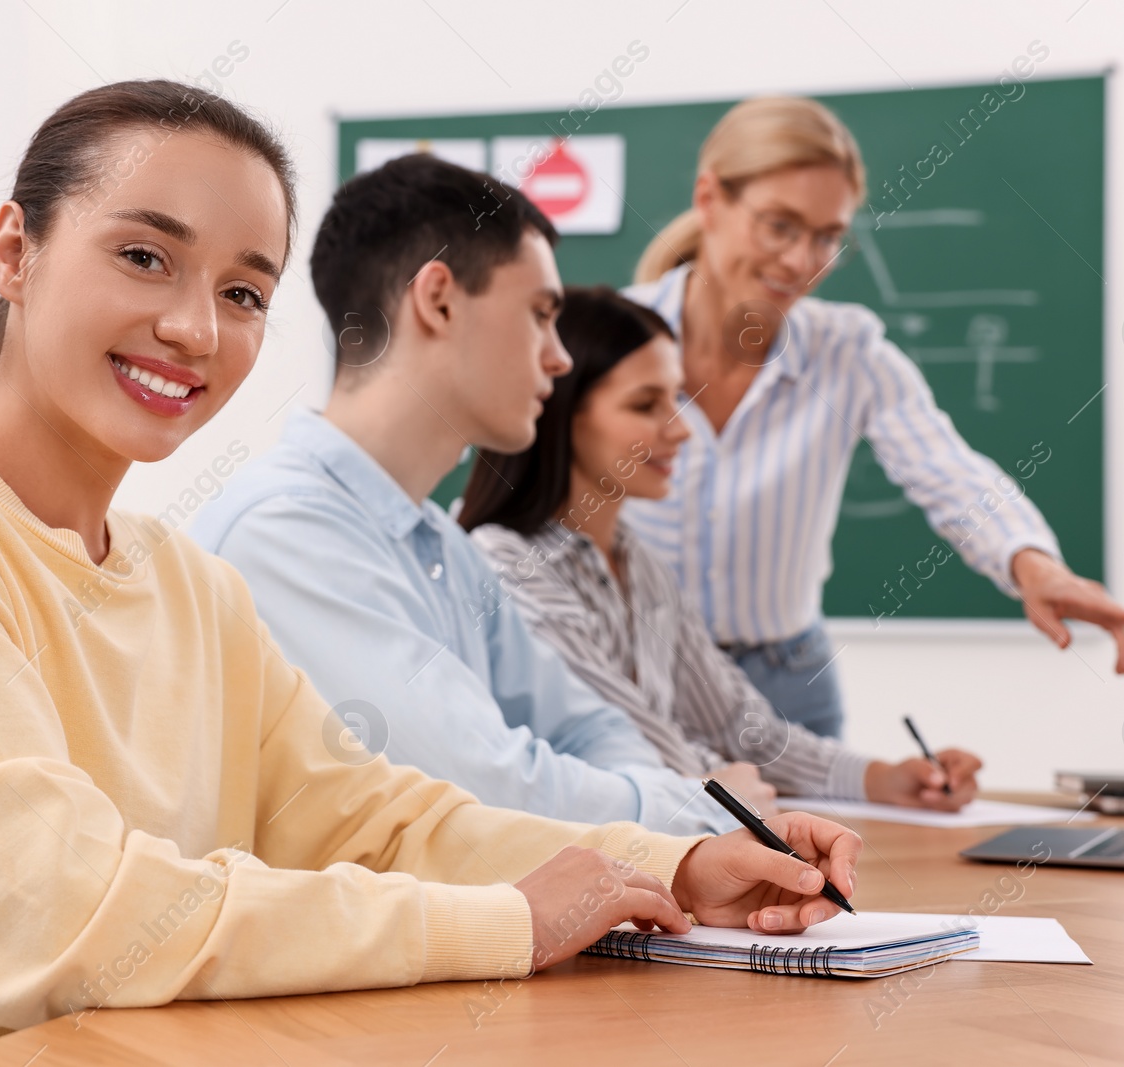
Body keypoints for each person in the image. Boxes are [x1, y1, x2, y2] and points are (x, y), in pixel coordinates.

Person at [0, 82, 865, 1067]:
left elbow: (374, 819)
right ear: (13, 251)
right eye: (144, 256)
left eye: (243, 294)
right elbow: (40, 915)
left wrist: (675, 864)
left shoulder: (186, 583)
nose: (194, 327)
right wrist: (501, 923)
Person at [191, 154, 744, 834]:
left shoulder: (442, 544)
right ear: (439, 298)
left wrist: (658, 801)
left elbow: (587, 726)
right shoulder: (285, 531)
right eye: (540, 314)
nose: (559, 357)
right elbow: (480, 788)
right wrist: (687, 809)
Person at [621, 95, 1124, 741]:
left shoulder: (849, 353)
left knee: (811, 846)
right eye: (780, 225)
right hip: (636, 678)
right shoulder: (604, 338)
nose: (802, 261)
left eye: (827, 236)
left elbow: (947, 469)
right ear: (710, 199)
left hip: (788, 686)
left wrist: (1035, 565)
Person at [459, 286, 981, 810]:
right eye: (646, 404)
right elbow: (616, 738)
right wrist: (718, 788)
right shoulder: (507, 565)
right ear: (559, 412)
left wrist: (881, 778)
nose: (681, 429)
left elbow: (735, 723)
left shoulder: (640, 564)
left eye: (676, 398)